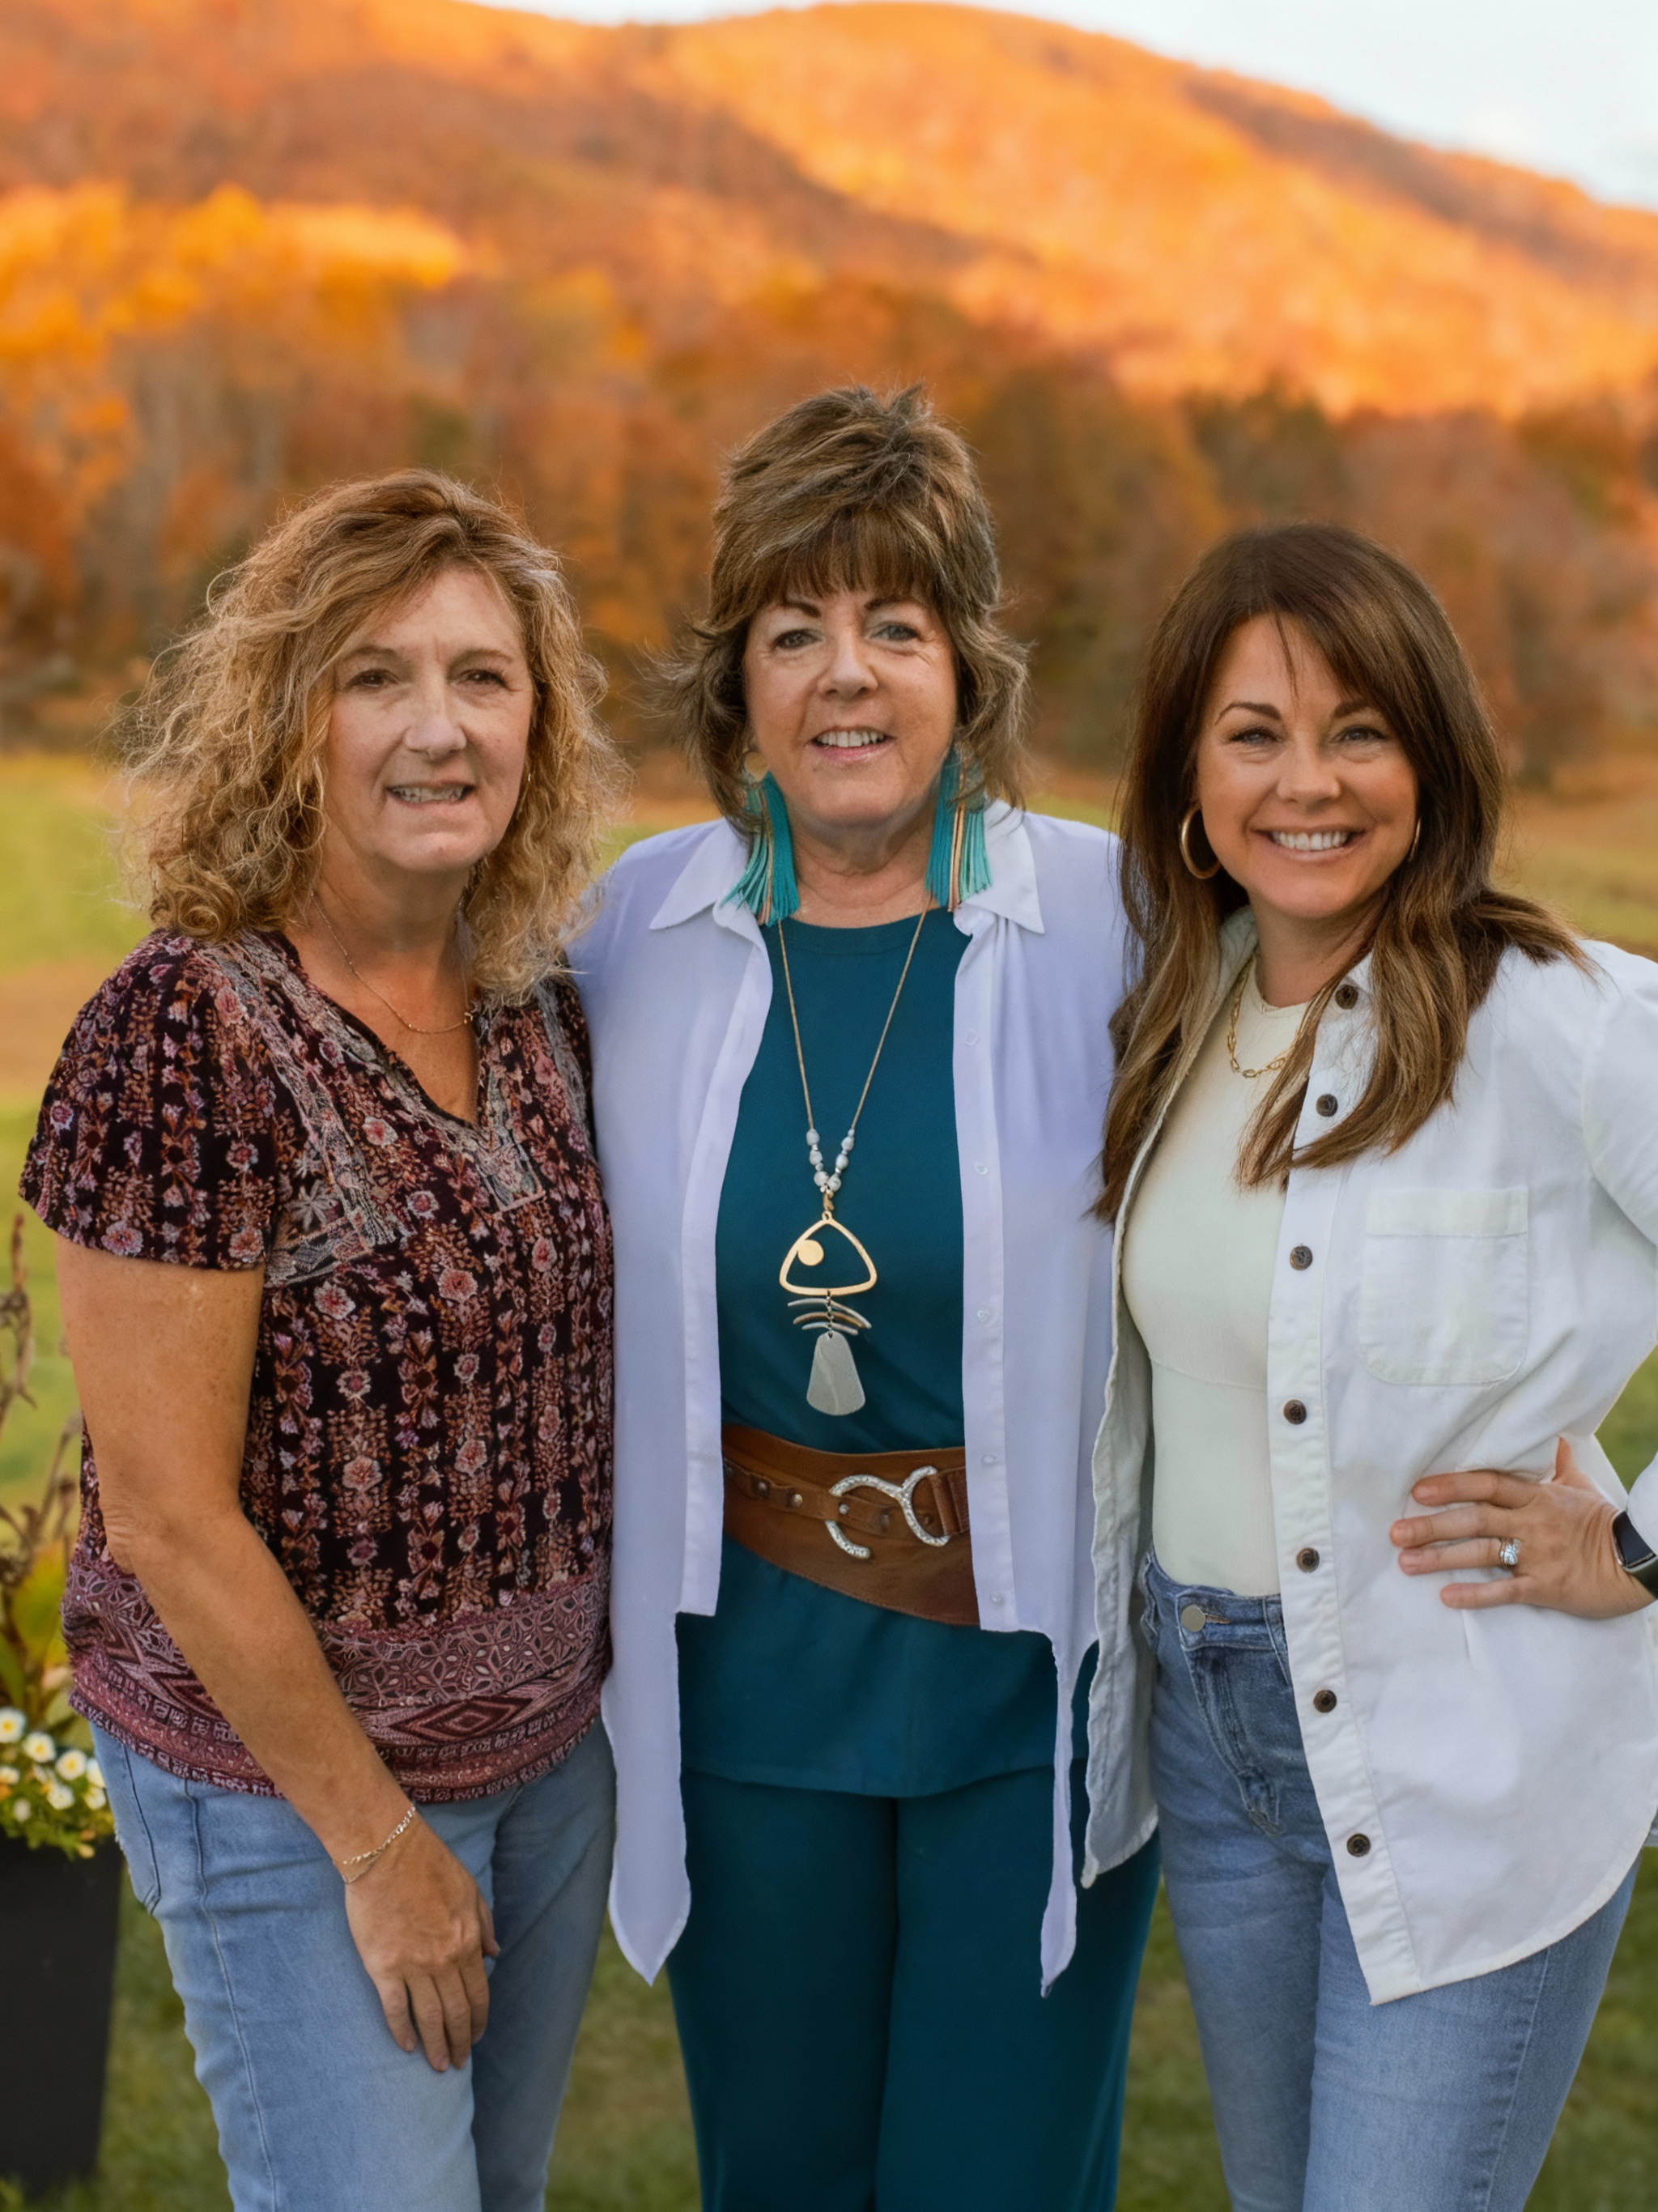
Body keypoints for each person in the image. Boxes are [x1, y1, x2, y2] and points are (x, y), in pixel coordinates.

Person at [574, 385, 1159, 2211]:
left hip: (1025, 1712)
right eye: (794, 628)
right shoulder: (628, 933)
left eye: (895, 626)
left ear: (965, 670)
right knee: (782, 2180)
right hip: (745, 1708)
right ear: (733, 678)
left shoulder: (1120, 922)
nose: (847, 676)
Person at [23, 470, 624, 2212]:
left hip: (543, 1774)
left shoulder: (532, 998)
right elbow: (167, 1516)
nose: (437, 728)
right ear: (291, 717)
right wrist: (378, 1846)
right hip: (301, 1803)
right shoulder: (184, 1035)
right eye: (377, 676)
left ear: (539, 722)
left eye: (482, 677)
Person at [1083, 518, 1658, 2210]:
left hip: (1469, 1744)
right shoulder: (1165, 1017)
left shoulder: (1556, 1018)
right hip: (1213, 1733)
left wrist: (1634, 1550)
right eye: (1253, 733)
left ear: (1430, 758)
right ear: (1189, 776)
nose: (1305, 782)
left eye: (1357, 729)